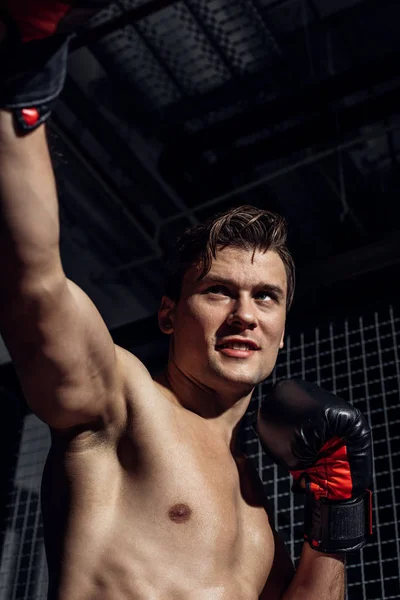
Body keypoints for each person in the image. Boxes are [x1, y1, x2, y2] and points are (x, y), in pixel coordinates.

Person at [0, 3, 372, 599]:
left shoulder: (259, 514)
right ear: (170, 313)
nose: (245, 314)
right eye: (219, 290)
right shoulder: (121, 403)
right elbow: (32, 281)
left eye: (266, 297)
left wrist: (339, 516)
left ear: (282, 325)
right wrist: (27, 69)